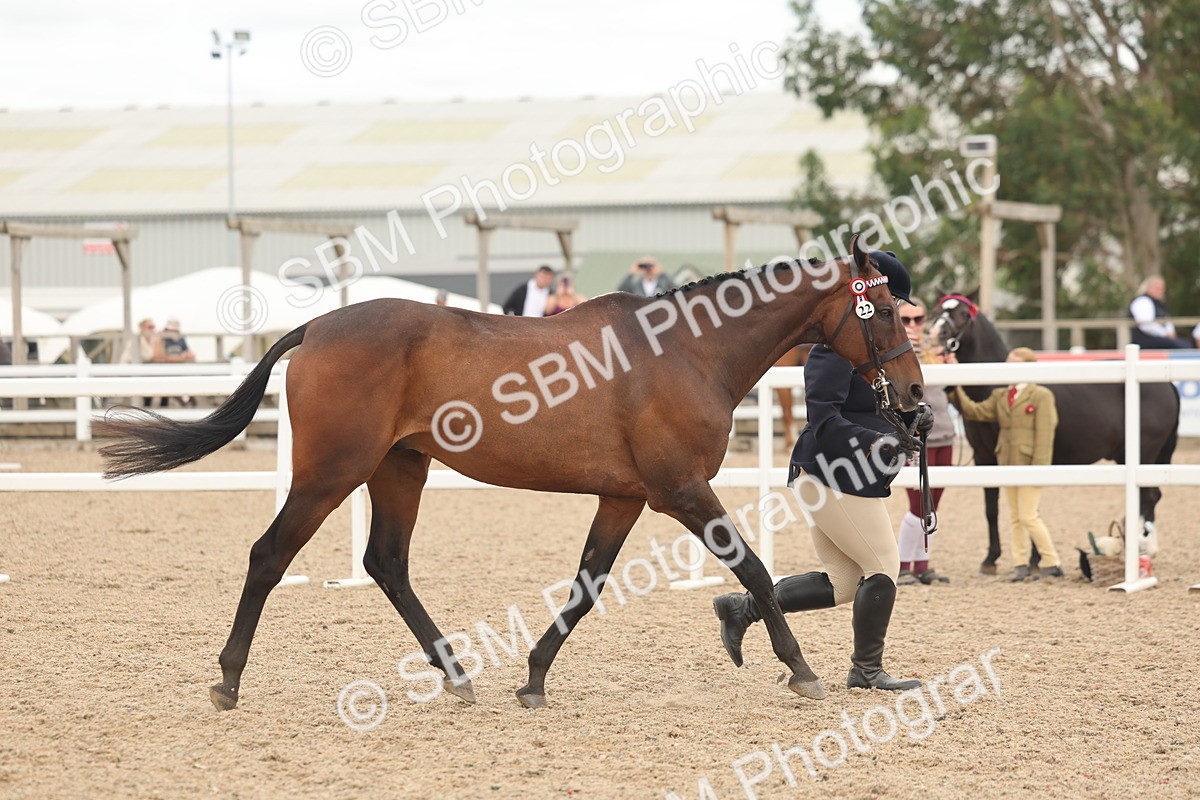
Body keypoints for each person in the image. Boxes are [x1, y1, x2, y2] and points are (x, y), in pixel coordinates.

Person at [713, 250, 928, 692]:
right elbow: (825, 420)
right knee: (885, 565)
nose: (897, 320)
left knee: (844, 580)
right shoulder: (833, 353)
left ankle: (743, 608)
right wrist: (875, 442)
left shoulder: (875, 356)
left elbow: (875, 410)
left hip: (853, 478)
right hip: (830, 473)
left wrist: (910, 422)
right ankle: (866, 670)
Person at [950, 347, 1063, 582]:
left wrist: (1040, 468)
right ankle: (1020, 563)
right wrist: (954, 387)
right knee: (1015, 516)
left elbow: (1045, 434)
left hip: (1030, 464)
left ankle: (1051, 560)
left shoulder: (1041, 396)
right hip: (1007, 462)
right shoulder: (1000, 396)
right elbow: (974, 411)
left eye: (1014, 364)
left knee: (1029, 516)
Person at [897, 298, 955, 586]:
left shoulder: (936, 352)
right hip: (916, 435)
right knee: (917, 505)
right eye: (906, 320)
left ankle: (921, 564)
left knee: (932, 507)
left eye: (918, 319)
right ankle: (901, 563)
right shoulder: (895, 353)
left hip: (945, 431)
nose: (913, 325)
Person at [1129, 276, 1192, 349]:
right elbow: (1146, 325)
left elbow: (1167, 321)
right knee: (1182, 346)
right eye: (1157, 288)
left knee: (1185, 343)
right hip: (1146, 340)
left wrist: (1171, 333)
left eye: (1162, 289)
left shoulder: (1159, 304)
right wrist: (1165, 334)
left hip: (1160, 338)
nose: (1161, 291)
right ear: (1148, 288)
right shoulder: (1142, 301)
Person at [153, 317, 196, 407]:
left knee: (184, 384)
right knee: (165, 393)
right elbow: (160, 357)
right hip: (164, 371)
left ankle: (185, 401)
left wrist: (176, 358)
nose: (172, 333)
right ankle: (184, 402)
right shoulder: (161, 339)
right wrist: (181, 358)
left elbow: (191, 355)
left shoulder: (181, 339)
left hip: (179, 371)